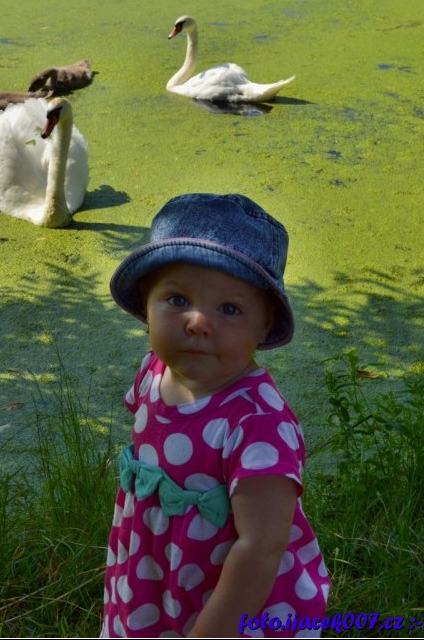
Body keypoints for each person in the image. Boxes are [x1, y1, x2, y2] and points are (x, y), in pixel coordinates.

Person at [100, 193, 329, 639]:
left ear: (265, 324)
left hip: (231, 602)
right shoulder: (154, 372)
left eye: (230, 309)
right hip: (153, 570)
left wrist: (213, 632)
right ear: (146, 304)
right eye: (177, 299)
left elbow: (261, 547)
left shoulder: (256, 421)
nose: (199, 321)